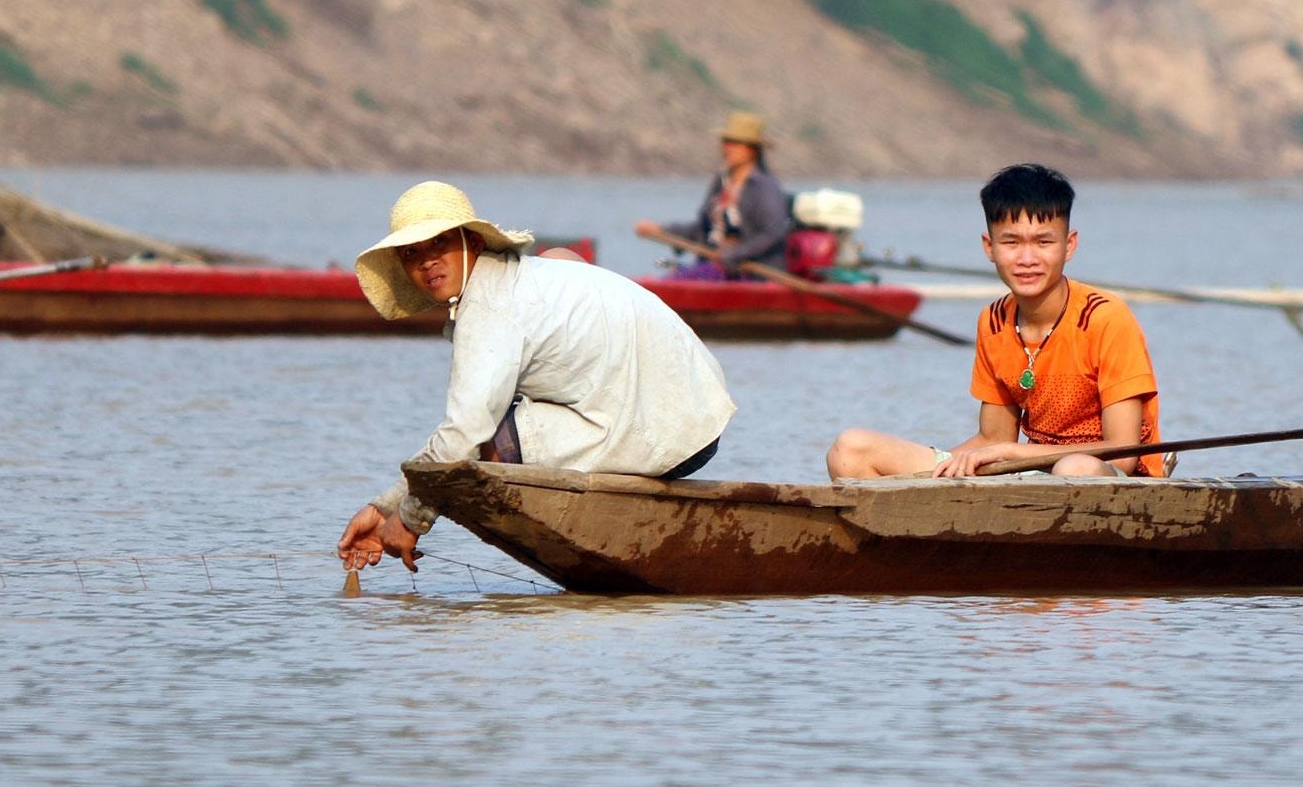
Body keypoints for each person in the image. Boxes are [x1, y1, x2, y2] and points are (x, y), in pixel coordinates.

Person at [338, 181, 736, 575]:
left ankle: (598, 553)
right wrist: (384, 506)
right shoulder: (526, 275)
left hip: (671, 430)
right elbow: (466, 427)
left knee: (487, 447)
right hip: (698, 410)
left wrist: (409, 519)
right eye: (412, 253)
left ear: (472, 244)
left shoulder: (489, 312)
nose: (427, 261)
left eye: (439, 244)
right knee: (560, 259)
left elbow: (464, 435)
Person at [826, 163, 1166, 480]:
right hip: (1028, 474)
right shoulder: (993, 320)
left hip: (1113, 479)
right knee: (851, 448)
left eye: (1044, 242)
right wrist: (946, 470)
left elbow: (1123, 452)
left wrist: (1009, 452)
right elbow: (993, 437)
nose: (1027, 259)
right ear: (990, 247)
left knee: (1074, 468)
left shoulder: (1106, 318)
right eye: (1011, 242)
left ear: (1069, 245)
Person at [633, 111, 792, 277]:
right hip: (713, 267)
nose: (726, 148)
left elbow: (773, 233)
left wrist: (734, 254)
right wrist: (661, 230)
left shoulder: (765, 187)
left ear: (752, 150)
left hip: (749, 273)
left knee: (685, 279)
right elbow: (702, 229)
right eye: (725, 142)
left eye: (734, 143)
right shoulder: (721, 182)